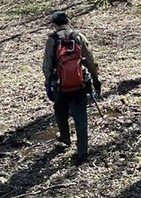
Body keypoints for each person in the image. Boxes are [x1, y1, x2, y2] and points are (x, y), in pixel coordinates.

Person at [42, 9, 101, 165]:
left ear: (54, 25)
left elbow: (47, 65)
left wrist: (48, 83)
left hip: (59, 85)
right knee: (80, 116)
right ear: (68, 21)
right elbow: (89, 59)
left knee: (60, 111)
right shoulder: (79, 37)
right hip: (80, 83)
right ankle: (82, 151)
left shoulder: (52, 40)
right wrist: (95, 80)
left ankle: (65, 137)